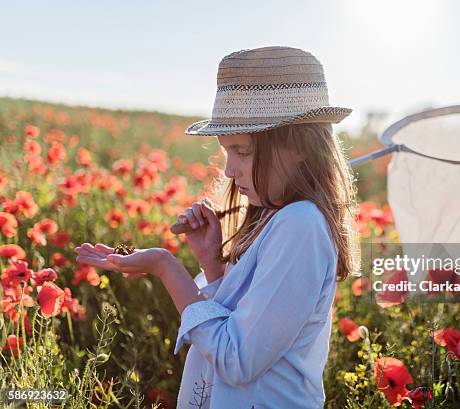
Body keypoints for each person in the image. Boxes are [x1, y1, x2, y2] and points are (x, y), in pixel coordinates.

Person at [75, 46, 360, 408]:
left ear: (298, 145)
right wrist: (212, 264)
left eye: (242, 152)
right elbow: (243, 323)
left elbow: (234, 358)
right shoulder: (278, 217)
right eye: (227, 152)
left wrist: (164, 266)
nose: (229, 170)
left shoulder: (300, 224)